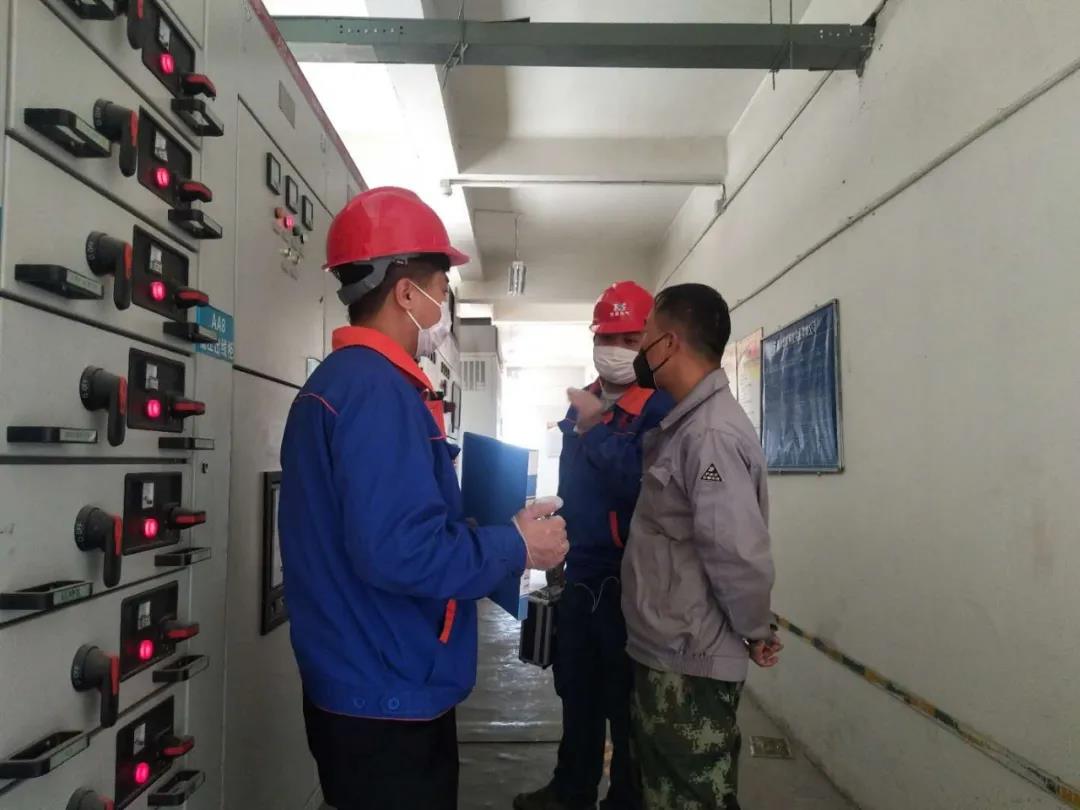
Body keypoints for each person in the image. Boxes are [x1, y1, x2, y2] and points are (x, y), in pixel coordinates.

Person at [278, 187, 569, 810]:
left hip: (368, 679)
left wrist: (502, 534)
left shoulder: (345, 385)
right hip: (385, 692)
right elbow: (399, 551)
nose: (445, 307)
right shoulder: (376, 392)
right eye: (442, 288)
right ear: (407, 293)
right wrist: (516, 546)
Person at [621, 283, 783, 810]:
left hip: (689, 662)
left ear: (668, 343)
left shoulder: (708, 434)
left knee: (689, 796)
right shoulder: (688, 424)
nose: (640, 348)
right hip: (671, 650)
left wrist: (755, 628)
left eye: (645, 335)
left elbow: (736, 552)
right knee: (665, 791)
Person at [515, 282, 674, 810]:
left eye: (630, 339)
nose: (617, 348)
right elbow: (575, 485)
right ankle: (571, 788)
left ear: (649, 341)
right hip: (580, 573)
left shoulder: (660, 409)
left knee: (626, 702)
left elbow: (645, 487)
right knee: (576, 688)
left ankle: (626, 799)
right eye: (608, 337)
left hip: (631, 580)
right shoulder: (583, 401)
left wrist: (595, 429)